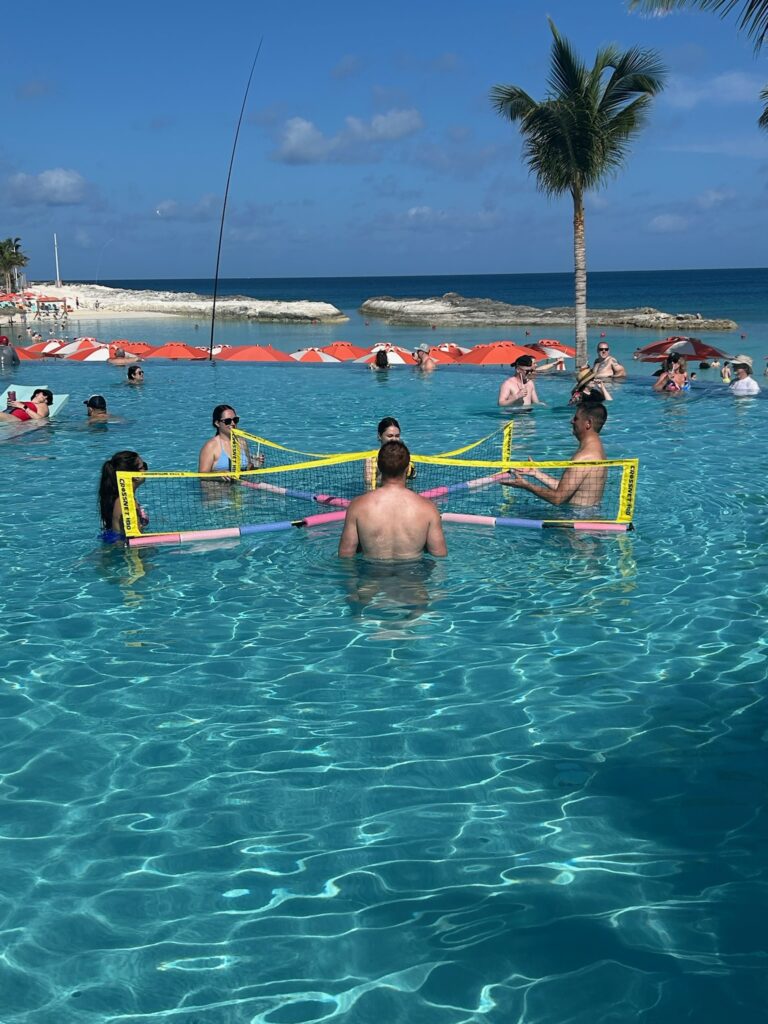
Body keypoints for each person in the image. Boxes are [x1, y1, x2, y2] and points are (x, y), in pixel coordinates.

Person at [339, 440, 447, 559]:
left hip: (372, 576)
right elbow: (439, 556)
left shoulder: (358, 506)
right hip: (412, 576)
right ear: (407, 468)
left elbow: (346, 555)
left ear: (378, 467)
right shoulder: (428, 508)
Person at [501, 403, 608, 507]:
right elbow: (566, 489)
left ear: (588, 423)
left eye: (576, 418)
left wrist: (526, 485)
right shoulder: (597, 450)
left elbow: (558, 498)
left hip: (575, 519)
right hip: (587, 516)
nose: (571, 421)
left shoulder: (584, 457)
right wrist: (537, 473)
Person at [98, 450, 149, 541]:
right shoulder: (127, 503)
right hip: (124, 551)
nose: (146, 470)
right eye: (143, 466)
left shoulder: (122, 498)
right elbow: (136, 540)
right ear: (135, 475)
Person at [198, 404, 262, 473]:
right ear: (217, 423)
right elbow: (202, 475)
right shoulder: (211, 446)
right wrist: (219, 474)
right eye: (228, 421)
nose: (233, 423)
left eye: (235, 420)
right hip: (217, 484)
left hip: (241, 483)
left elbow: (249, 468)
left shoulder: (242, 441)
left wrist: (255, 464)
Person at [364, 416, 416, 486]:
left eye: (397, 436)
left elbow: (413, 476)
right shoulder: (371, 458)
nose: (394, 439)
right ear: (379, 436)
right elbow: (368, 484)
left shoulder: (404, 455)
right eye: (390, 436)